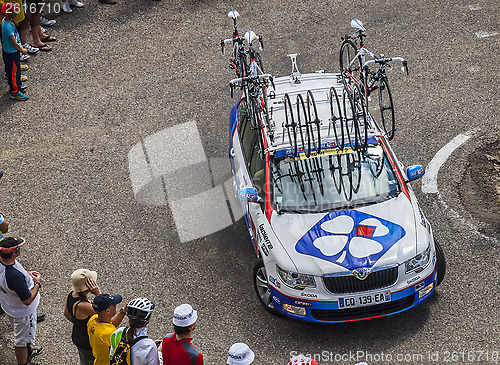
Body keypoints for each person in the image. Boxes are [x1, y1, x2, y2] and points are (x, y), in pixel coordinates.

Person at [0, 236, 43, 365]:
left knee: (22, 335)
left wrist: (26, 273)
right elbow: (28, 300)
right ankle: (23, 362)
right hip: (23, 312)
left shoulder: (4, 264)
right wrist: (37, 283)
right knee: (22, 341)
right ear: (13, 252)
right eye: (18, 248)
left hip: (9, 305)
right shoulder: (15, 276)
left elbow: (12, 276)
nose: (20, 249)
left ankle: (28, 350)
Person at [64, 269, 101, 365]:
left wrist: (79, 322)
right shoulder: (83, 305)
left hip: (77, 335)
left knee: (84, 360)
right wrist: (98, 293)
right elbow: (105, 312)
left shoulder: (71, 294)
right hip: (87, 341)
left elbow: (66, 314)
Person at [109, 297, 159, 365]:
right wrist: (158, 351)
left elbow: (112, 356)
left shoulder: (118, 332)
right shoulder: (149, 346)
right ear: (147, 319)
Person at [87, 293, 127, 365]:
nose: (116, 306)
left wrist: (123, 312)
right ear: (107, 311)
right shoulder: (108, 333)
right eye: (114, 305)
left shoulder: (92, 320)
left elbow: (111, 324)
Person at [1, 2, 28, 100]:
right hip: (12, 53)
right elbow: (14, 43)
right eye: (13, 11)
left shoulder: (7, 21)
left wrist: (14, 21)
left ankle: (18, 85)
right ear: (7, 13)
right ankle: (14, 91)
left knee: (14, 71)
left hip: (10, 52)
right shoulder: (7, 27)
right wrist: (22, 49)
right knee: (13, 73)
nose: (16, 13)